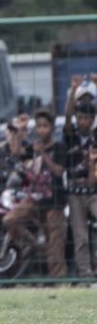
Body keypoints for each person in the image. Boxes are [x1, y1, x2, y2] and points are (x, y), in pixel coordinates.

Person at [2, 109, 68, 277]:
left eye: (45, 126)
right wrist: (18, 132)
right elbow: (17, 152)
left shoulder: (59, 147)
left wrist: (43, 154)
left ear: (52, 128)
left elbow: (59, 171)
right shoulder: (34, 146)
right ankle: (32, 244)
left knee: (54, 242)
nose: (41, 130)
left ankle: (59, 279)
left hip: (54, 200)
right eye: (38, 126)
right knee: (10, 219)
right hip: (34, 198)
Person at [63, 100, 97, 277]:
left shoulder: (95, 137)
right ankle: (85, 274)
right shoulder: (70, 137)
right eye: (81, 117)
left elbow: (93, 180)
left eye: (88, 118)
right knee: (80, 235)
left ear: (93, 120)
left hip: (94, 191)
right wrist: (74, 91)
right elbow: (67, 117)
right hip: (75, 194)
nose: (84, 121)